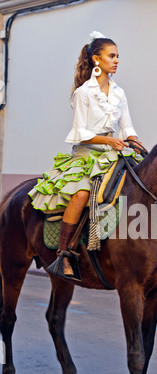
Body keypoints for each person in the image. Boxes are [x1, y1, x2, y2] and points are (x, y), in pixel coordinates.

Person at [29, 31, 142, 279]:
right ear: (96, 60)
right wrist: (109, 139)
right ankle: (63, 253)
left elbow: (127, 126)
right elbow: (80, 132)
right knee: (81, 194)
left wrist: (134, 140)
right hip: (86, 155)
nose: (117, 60)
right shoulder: (83, 93)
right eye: (111, 56)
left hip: (114, 152)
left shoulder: (119, 93)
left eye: (118, 56)